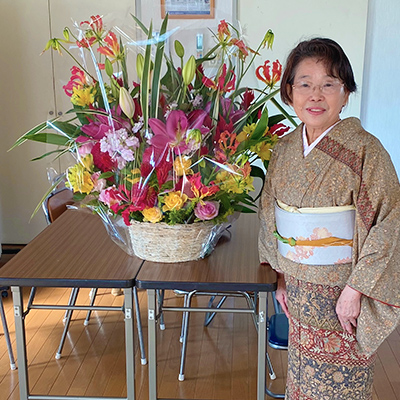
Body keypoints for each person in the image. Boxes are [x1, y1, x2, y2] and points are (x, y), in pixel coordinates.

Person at [258, 37, 400, 400]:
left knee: (343, 385)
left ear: (346, 93)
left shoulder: (367, 150)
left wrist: (356, 290)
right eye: (304, 84)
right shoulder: (285, 149)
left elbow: (390, 221)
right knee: (302, 379)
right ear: (290, 92)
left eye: (328, 84)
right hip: (298, 289)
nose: (315, 95)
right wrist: (279, 278)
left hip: (344, 293)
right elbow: (269, 212)